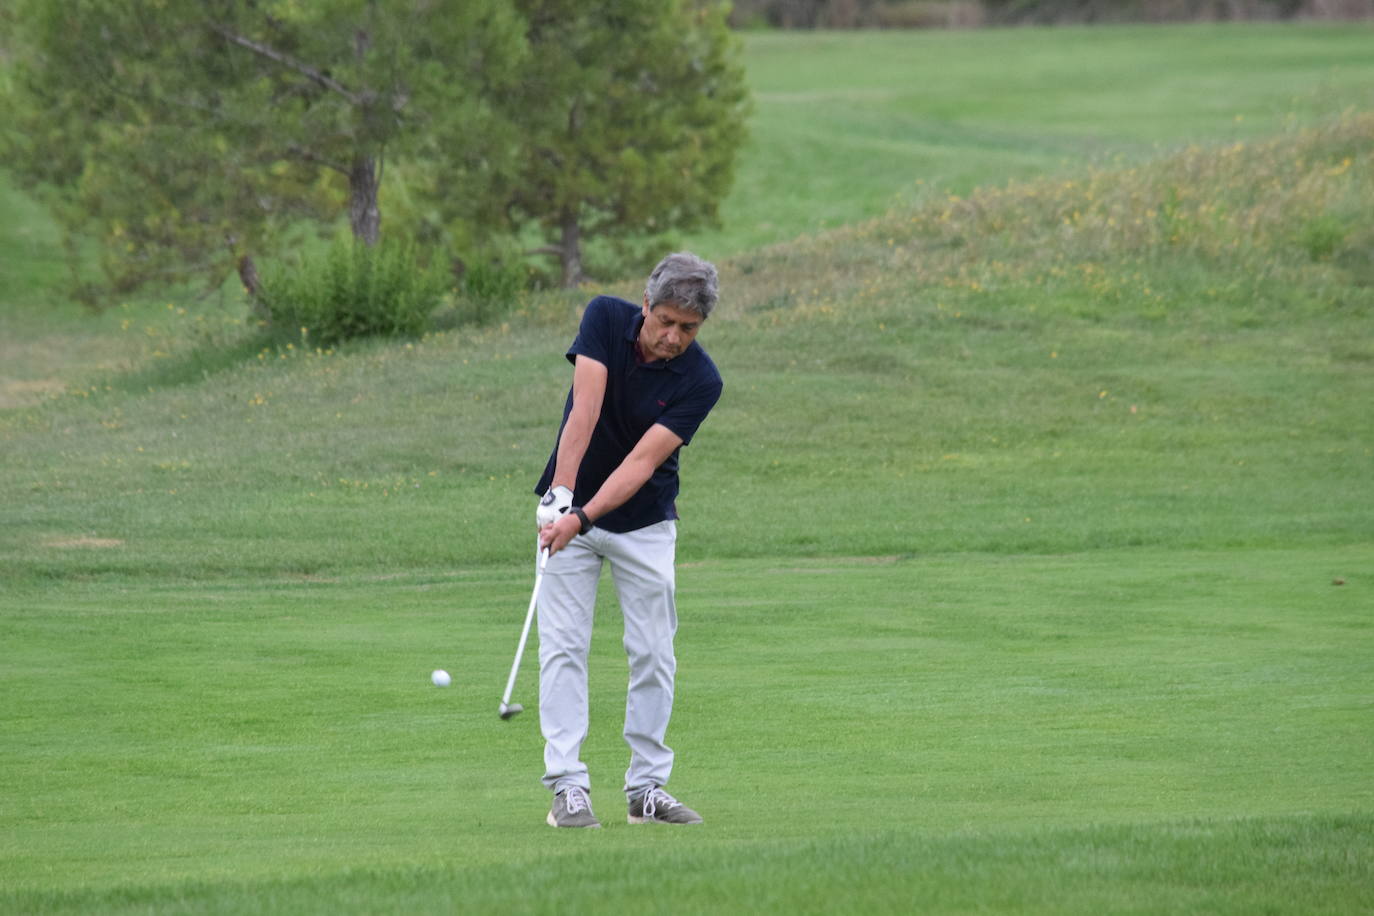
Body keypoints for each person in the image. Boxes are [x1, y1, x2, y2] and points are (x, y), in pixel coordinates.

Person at [533, 252, 724, 829]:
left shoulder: (701, 379)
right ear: (645, 306)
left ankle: (645, 789)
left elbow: (642, 463)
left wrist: (584, 518)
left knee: (653, 653)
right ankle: (568, 785)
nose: (673, 337)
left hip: (642, 524)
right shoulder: (603, 318)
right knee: (564, 646)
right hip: (566, 508)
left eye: (687, 329)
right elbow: (584, 411)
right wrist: (563, 496)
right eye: (665, 321)